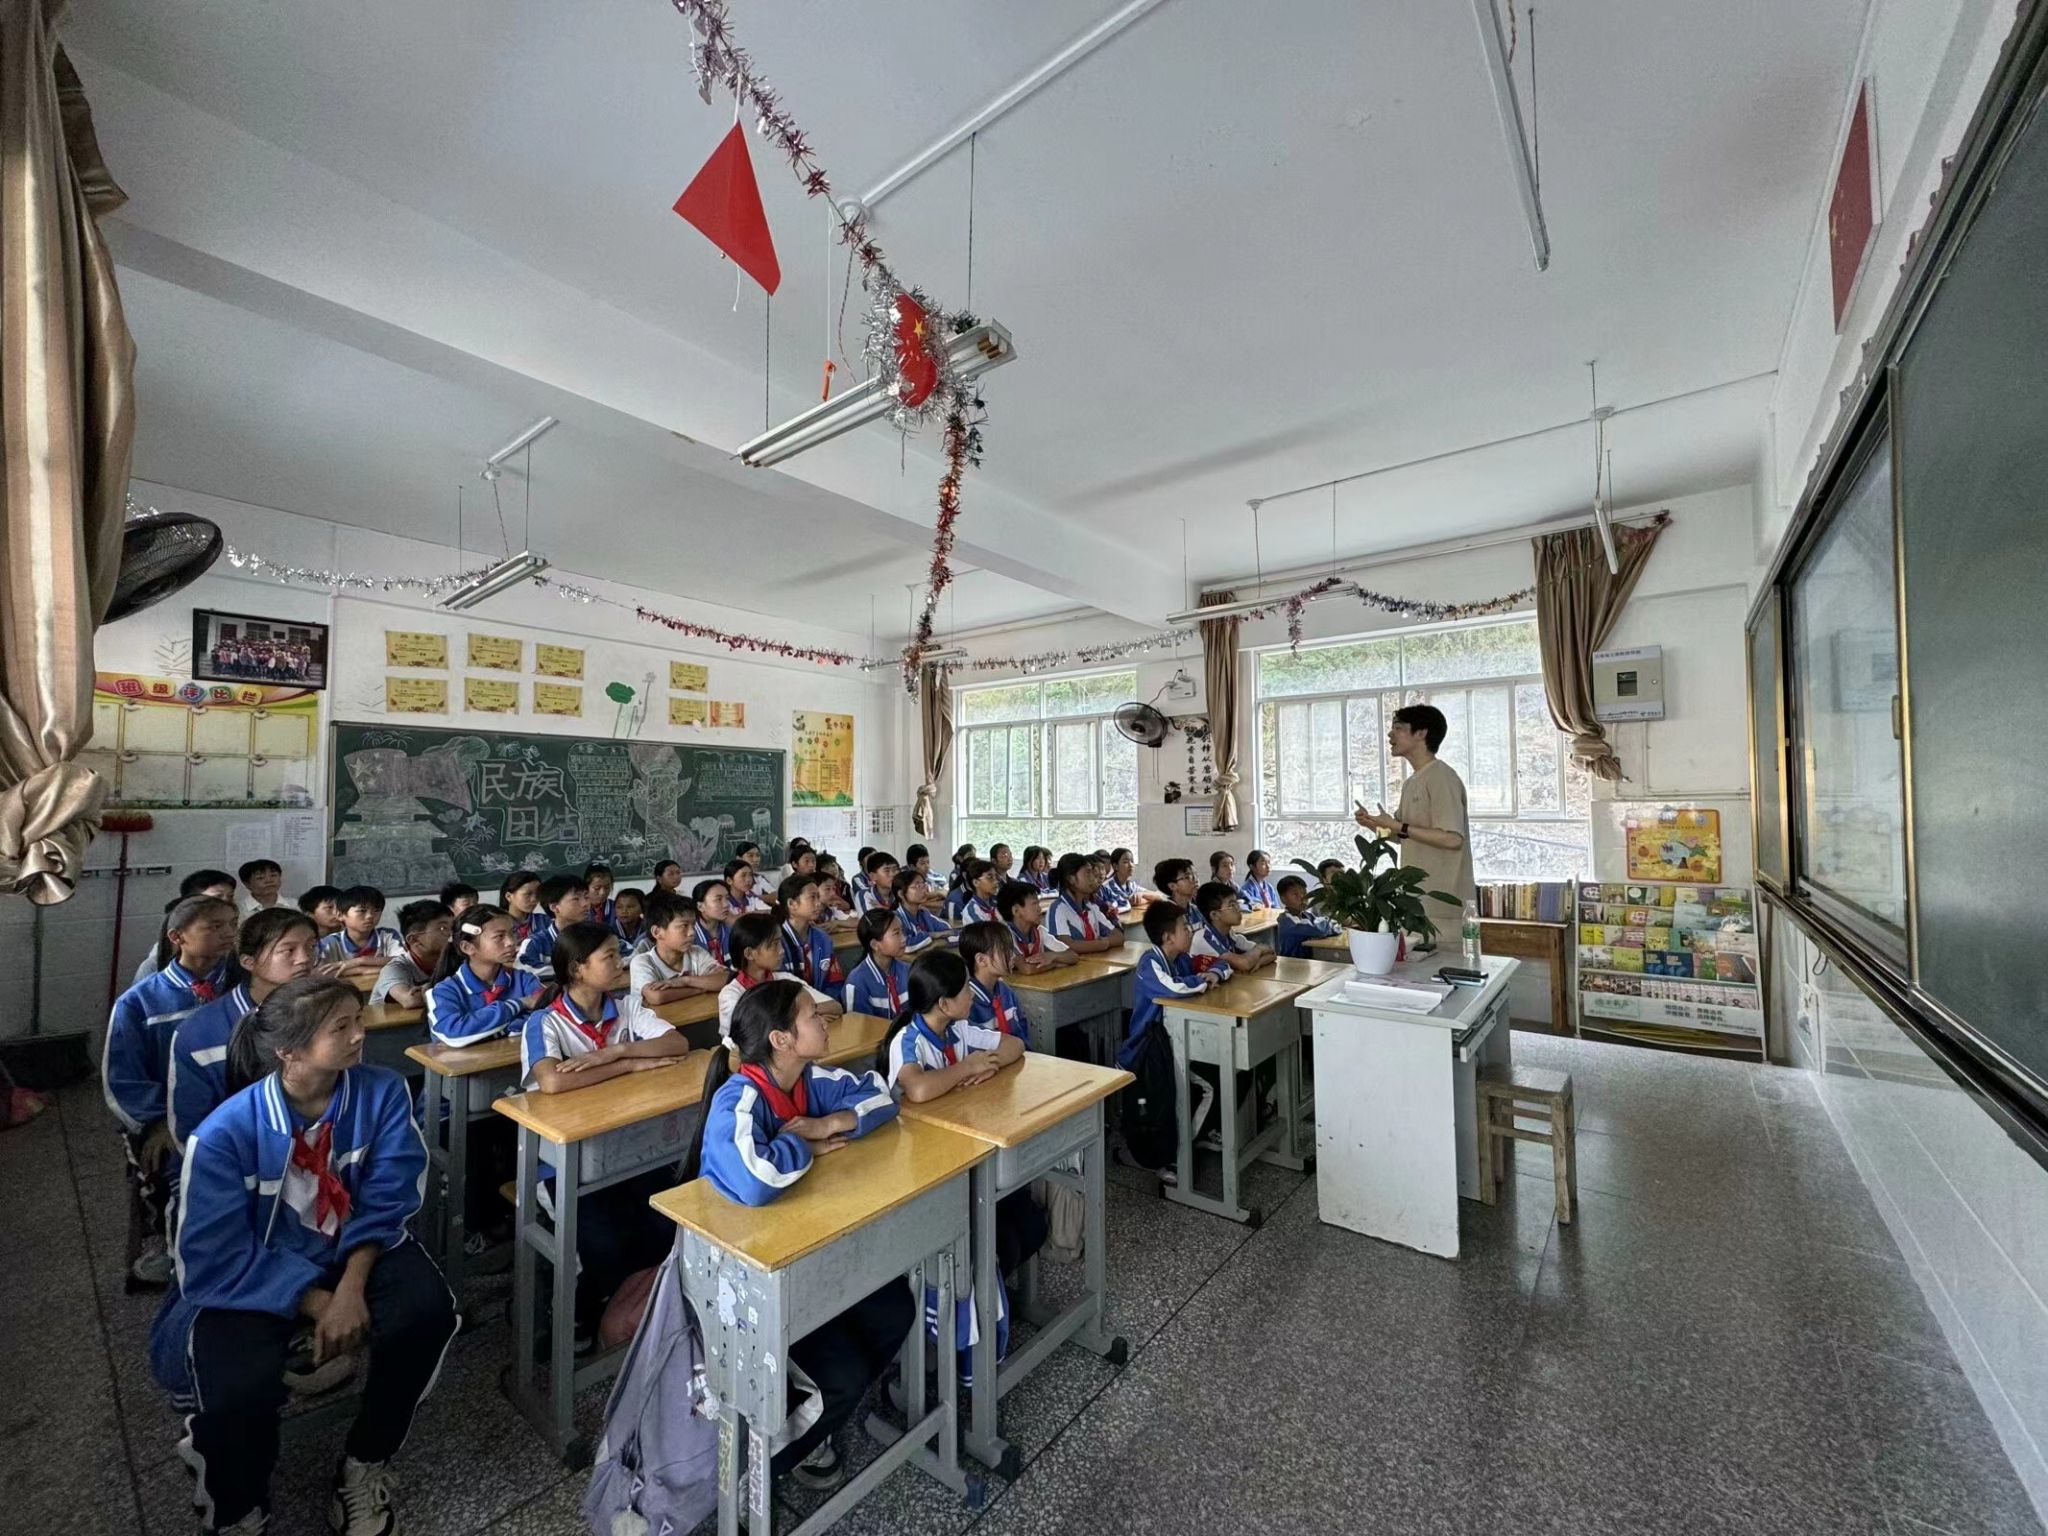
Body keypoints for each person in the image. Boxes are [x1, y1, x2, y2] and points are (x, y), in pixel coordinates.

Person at [149, 977, 459, 1536]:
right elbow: (215, 1256)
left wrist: (352, 1286)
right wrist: (318, 1303)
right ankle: (237, 1501)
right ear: (288, 1052)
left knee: (427, 1313)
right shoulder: (224, 1133)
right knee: (236, 1383)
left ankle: (366, 1458)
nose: (361, 1035)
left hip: (351, 1248)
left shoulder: (382, 1091)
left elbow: (388, 1196)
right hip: (257, 1268)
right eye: (342, 1027)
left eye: (358, 1020)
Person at [683, 980, 907, 1491]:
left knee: (895, 1307)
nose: (824, 1020)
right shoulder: (738, 1098)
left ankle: (812, 1421)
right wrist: (806, 1146)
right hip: (745, 1282)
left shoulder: (809, 1080)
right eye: (812, 1016)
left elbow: (881, 1096)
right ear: (781, 1039)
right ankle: (754, 1471)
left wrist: (827, 1124)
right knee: (843, 1371)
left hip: (804, 1250)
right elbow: (755, 1178)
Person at [880, 950, 1044, 1315]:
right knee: (1001, 1238)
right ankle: (975, 1307)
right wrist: (966, 1068)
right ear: (944, 1004)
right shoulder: (909, 1040)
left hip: (965, 1146)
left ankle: (993, 1297)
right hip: (923, 1165)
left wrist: (987, 1065)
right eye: (966, 989)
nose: (972, 994)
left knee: (1028, 1220)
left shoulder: (958, 1029)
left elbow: (1014, 1045)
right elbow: (917, 1088)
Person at [104, 893, 241, 1287]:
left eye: (232, 925)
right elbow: (122, 1078)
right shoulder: (141, 1001)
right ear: (178, 937)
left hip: (233, 1108)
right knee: (174, 1171)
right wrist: (159, 1121)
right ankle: (175, 1252)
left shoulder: (240, 989)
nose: (227, 934)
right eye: (213, 926)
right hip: (167, 1117)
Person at [170, 907, 320, 1149]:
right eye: (288, 950)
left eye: (311, 946)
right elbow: (192, 1125)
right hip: (235, 1152)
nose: (305, 958)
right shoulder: (201, 1031)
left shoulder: (323, 1015)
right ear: (249, 962)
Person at [1354, 702, 1478, 931]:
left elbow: (1453, 839)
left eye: (1398, 728)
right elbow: (1400, 837)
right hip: (1414, 903)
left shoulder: (1442, 776)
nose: (1390, 734)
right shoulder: (1411, 782)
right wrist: (1372, 824)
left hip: (1442, 905)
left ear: (1421, 733)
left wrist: (1399, 826)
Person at [424, 906, 546, 1048]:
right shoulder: (443, 992)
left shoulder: (524, 980)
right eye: (499, 936)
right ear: (467, 947)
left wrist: (496, 1031)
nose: (511, 942)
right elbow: (453, 1033)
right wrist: (519, 1004)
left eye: (512, 932)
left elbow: (548, 1016)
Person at [719, 913, 842, 1042]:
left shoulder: (786, 980)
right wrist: (804, 1017)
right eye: (774, 945)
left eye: (781, 943)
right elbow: (747, 1040)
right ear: (749, 954)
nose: (782, 950)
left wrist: (791, 1019)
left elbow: (835, 1007)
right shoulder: (731, 995)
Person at [134, 870, 242, 986]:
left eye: (231, 896)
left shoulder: (236, 965)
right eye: (217, 897)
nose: (230, 933)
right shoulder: (154, 968)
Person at [629, 891, 728, 1008]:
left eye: (693, 925)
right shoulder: (642, 962)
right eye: (684, 926)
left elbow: (725, 979)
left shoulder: (696, 952)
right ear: (657, 932)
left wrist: (685, 981)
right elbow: (657, 996)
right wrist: (701, 988)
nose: (692, 932)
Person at [369, 900, 455, 1008]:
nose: (452, 934)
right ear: (414, 940)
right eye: (443, 928)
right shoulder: (394, 968)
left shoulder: (454, 961)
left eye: (453, 927)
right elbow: (412, 1000)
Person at [958, 921, 1028, 1040]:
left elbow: (1022, 1030)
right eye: (1004, 950)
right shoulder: (967, 1003)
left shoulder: (1006, 992)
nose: (1012, 956)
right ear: (981, 960)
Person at [1046, 853, 1127, 954]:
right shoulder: (1058, 909)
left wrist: (1104, 942)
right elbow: (1066, 946)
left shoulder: (1091, 907)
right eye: (1088, 873)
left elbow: (1119, 937)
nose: (1093, 878)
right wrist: (1101, 944)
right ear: (1071, 879)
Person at [777, 872, 845, 992]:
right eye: (812, 897)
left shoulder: (823, 938)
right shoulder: (777, 942)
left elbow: (835, 982)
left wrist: (828, 1000)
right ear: (792, 904)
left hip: (824, 1001)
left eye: (818, 897)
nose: (818, 903)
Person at [516, 873, 592, 978]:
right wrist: (576, 972)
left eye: (586, 897)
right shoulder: (536, 943)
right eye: (576, 899)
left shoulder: (598, 936)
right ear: (554, 907)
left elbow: (616, 961)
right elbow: (522, 967)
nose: (585, 904)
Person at [317, 886, 401, 978]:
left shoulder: (388, 935)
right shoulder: (330, 942)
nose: (370, 916)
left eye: (376, 910)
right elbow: (319, 972)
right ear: (340, 915)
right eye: (362, 911)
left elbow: (405, 962)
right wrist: (363, 970)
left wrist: (359, 961)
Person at [1190, 882, 1274, 974]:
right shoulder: (1204, 938)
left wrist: (1259, 962)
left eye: (1237, 903)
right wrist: (1259, 949)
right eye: (1231, 905)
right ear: (1214, 915)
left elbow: (1271, 953)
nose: (1238, 908)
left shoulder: (1229, 933)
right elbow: (1244, 963)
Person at [844, 909, 913, 1017]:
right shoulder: (856, 982)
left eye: (902, 931)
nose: (904, 938)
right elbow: (857, 1025)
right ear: (875, 945)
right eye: (896, 933)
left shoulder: (908, 970)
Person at [996, 880, 1076, 973]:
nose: (1040, 909)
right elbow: (1027, 969)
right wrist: (1055, 963)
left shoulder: (1039, 931)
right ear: (1016, 911)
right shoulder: (1005, 935)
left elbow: (1073, 955)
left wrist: (1053, 956)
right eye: (1034, 904)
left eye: (1038, 903)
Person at [1274, 875, 1340, 958]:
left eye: (1304, 893)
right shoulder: (1287, 923)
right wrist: (1329, 925)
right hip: (1291, 963)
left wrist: (1329, 924)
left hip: (1307, 961)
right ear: (1283, 899)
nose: (1302, 897)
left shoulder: (1307, 915)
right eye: (1295, 894)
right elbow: (1319, 930)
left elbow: (1335, 926)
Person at [891, 867, 950, 952]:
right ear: (901, 894)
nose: (924, 889)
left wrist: (938, 941)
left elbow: (948, 930)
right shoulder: (895, 919)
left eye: (923, 884)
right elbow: (903, 945)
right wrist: (932, 935)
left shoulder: (924, 914)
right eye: (917, 886)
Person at [691, 879, 736, 967]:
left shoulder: (732, 931)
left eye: (727, 898)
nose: (726, 904)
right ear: (700, 906)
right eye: (718, 899)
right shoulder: (690, 936)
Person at [499, 871, 543, 946]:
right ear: (509, 896)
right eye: (528, 894)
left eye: (538, 894)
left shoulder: (544, 921)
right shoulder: (497, 924)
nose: (534, 899)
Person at [954, 858, 1000, 925]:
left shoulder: (996, 904)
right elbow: (987, 932)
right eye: (990, 877)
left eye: (996, 877)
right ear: (976, 882)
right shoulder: (971, 911)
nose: (996, 881)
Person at [1100, 847, 1145, 912]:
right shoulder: (1106, 887)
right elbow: (1124, 905)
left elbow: (1157, 896)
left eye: (1132, 861)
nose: (1131, 865)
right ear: (1115, 866)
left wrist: (1142, 894)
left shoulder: (1131, 885)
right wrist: (1136, 901)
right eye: (1125, 862)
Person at [854, 850, 899, 915]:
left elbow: (910, 918)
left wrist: (885, 909)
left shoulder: (901, 894)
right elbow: (872, 920)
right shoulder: (864, 895)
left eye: (895, 869)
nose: (893, 874)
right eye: (887, 870)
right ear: (873, 876)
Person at [610, 886, 648, 956]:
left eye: (630, 907)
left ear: (642, 908)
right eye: (619, 907)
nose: (624, 911)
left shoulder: (648, 928)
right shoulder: (610, 930)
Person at [583, 864, 617, 929]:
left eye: (607, 887)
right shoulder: (579, 909)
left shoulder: (617, 908)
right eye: (597, 888)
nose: (602, 893)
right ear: (586, 887)